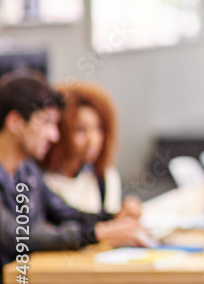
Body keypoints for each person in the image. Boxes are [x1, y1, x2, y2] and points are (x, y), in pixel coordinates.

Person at [0, 71, 164, 284]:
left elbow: (67, 213)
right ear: (15, 122)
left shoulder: (27, 172)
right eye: (46, 124)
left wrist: (113, 219)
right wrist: (99, 234)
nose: (54, 136)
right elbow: (18, 236)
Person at [42, 80, 140, 219]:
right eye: (80, 130)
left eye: (99, 128)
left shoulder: (105, 177)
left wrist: (121, 216)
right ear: (59, 131)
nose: (92, 140)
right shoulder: (39, 182)